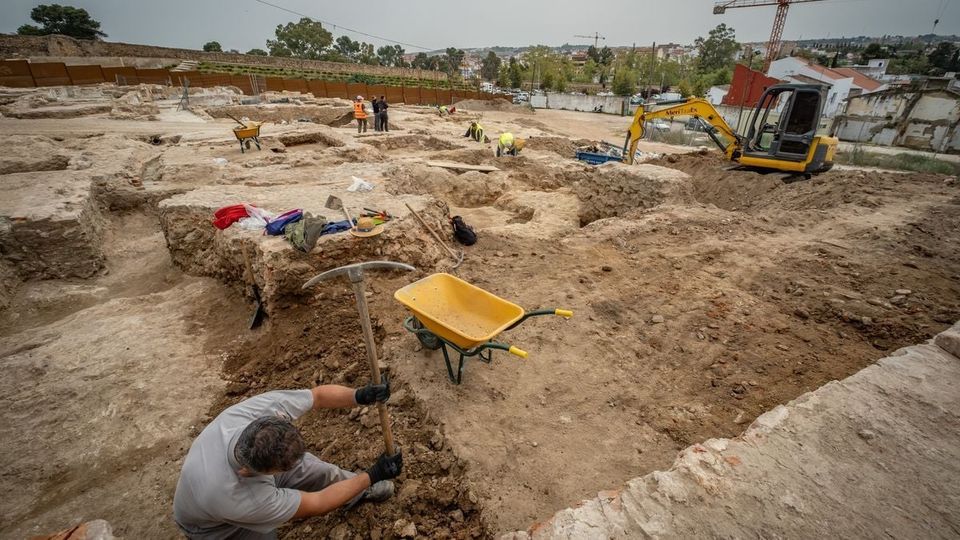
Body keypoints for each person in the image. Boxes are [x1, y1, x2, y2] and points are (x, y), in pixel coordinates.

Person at [173, 379, 402, 539]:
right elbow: (319, 503)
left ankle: (359, 491)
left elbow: (318, 396)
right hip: (214, 527)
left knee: (316, 469)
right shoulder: (243, 498)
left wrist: (360, 395)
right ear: (251, 471)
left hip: (233, 477)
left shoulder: (250, 415)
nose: (296, 466)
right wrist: (373, 474)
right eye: (285, 468)